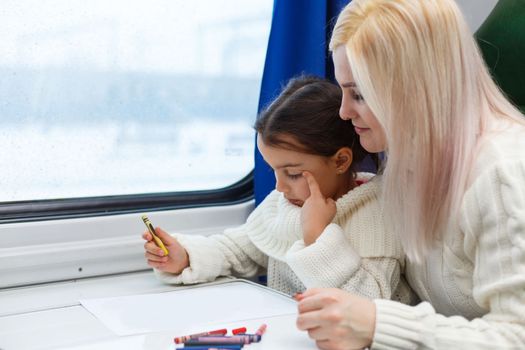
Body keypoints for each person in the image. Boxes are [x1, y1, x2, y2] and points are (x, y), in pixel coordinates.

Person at [295, 0, 525, 349]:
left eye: (358, 93)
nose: (343, 112)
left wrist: (376, 323)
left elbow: (516, 335)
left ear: (416, 87)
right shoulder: (409, 164)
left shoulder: (502, 174)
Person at [142, 76, 414, 302]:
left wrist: (318, 237)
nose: (280, 187)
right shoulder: (285, 203)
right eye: (274, 171)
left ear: (341, 161)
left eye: (293, 174)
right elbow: (239, 250)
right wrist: (186, 257)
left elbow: (372, 302)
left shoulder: (377, 211)